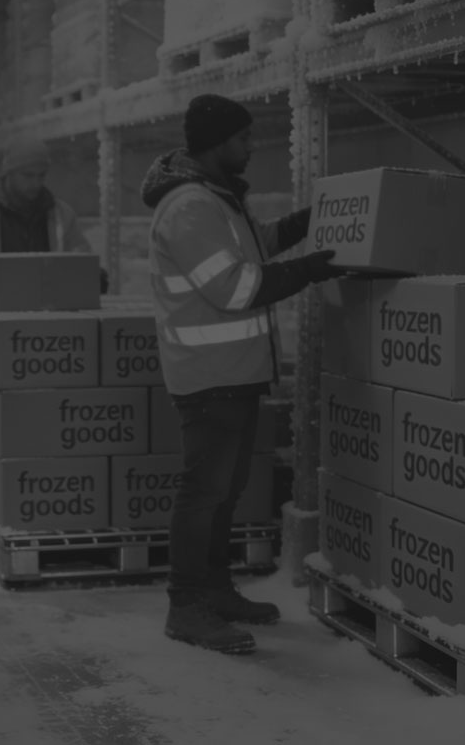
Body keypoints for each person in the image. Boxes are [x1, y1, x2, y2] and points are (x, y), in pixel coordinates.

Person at [141, 93, 341, 654]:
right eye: (245, 137)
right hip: (209, 377)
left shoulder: (218, 200)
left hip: (234, 373)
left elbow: (255, 247)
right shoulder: (190, 207)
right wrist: (308, 271)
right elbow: (236, 288)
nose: (253, 145)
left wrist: (305, 225)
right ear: (217, 142)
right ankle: (186, 606)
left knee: (223, 492)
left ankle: (215, 589)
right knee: (203, 493)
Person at [0, 135, 106, 296]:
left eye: (41, 175)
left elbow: (82, 259)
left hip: (49, 315)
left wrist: (95, 275)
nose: (36, 183)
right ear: (9, 173)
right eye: (28, 175)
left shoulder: (62, 214)